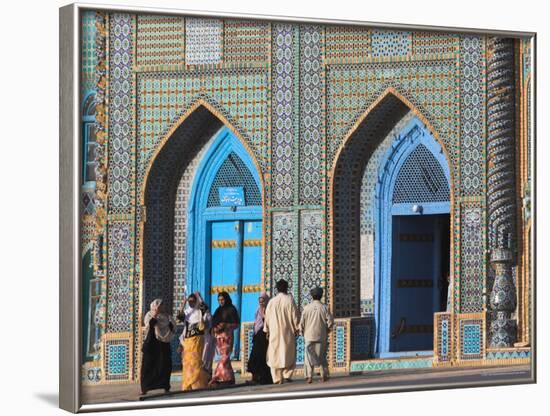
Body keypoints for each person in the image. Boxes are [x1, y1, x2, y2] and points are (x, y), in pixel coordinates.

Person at [263, 279, 300, 384]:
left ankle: (277, 378)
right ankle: (287, 374)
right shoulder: (290, 300)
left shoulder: (271, 302)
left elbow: (267, 317)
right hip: (287, 332)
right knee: (289, 352)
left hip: (274, 332)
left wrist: (267, 330)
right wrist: (297, 327)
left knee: (274, 353)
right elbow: (295, 315)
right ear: (286, 288)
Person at [140, 299, 176, 395]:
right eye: (160, 306)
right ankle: (145, 388)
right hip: (152, 344)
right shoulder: (149, 315)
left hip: (163, 345)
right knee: (148, 366)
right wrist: (155, 314)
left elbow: (173, 328)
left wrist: (170, 322)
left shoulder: (167, 317)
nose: (162, 308)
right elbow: (151, 325)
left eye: (163, 306)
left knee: (165, 365)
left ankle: (165, 386)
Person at [299, 287, 334, 383]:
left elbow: (301, 324)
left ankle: (309, 376)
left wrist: (302, 333)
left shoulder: (306, 308)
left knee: (308, 357)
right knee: (322, 356)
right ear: (321, 296)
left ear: (311, 296)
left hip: (309, 336)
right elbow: (330, 322)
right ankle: (324, 375)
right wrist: (327, 330)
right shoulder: (325, 308)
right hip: (321, 336)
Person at [177, 293, 209, 391]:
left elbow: (205, 307)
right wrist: (183, 303)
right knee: (187, 363)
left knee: (196, 362)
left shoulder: (199, 312)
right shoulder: (187, 312)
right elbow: (179, 317)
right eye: (189, 301)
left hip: (198, 341)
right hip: (188, 341)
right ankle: (188, 384)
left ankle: (196, 384)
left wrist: (199, 297)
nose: (191, 303)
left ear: (196, 301)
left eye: (193, 301)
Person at [209, 291, 240, 386]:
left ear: (226, 299)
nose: (221, 301)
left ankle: (217, 377)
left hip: (227, 338)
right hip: (219, 339)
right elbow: (213, 323)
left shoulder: (231, 309)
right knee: (225, 358)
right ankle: (229, 379)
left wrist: (226, 325)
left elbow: (236, 324)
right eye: (219, 300)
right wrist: (215, 329)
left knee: (224, 357)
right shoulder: (218, 311)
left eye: (222, 299)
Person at [246, 292, 273, 384]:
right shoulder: (258, 310)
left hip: (264, 337)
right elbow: (256, 322)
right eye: (260, 302)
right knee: (254, 357)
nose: (261, 303)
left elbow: (269, 322)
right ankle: (255, 377)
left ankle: (262, 378)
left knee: (262, 358)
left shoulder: (269, 310)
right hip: (258, 337)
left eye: (263, 301)